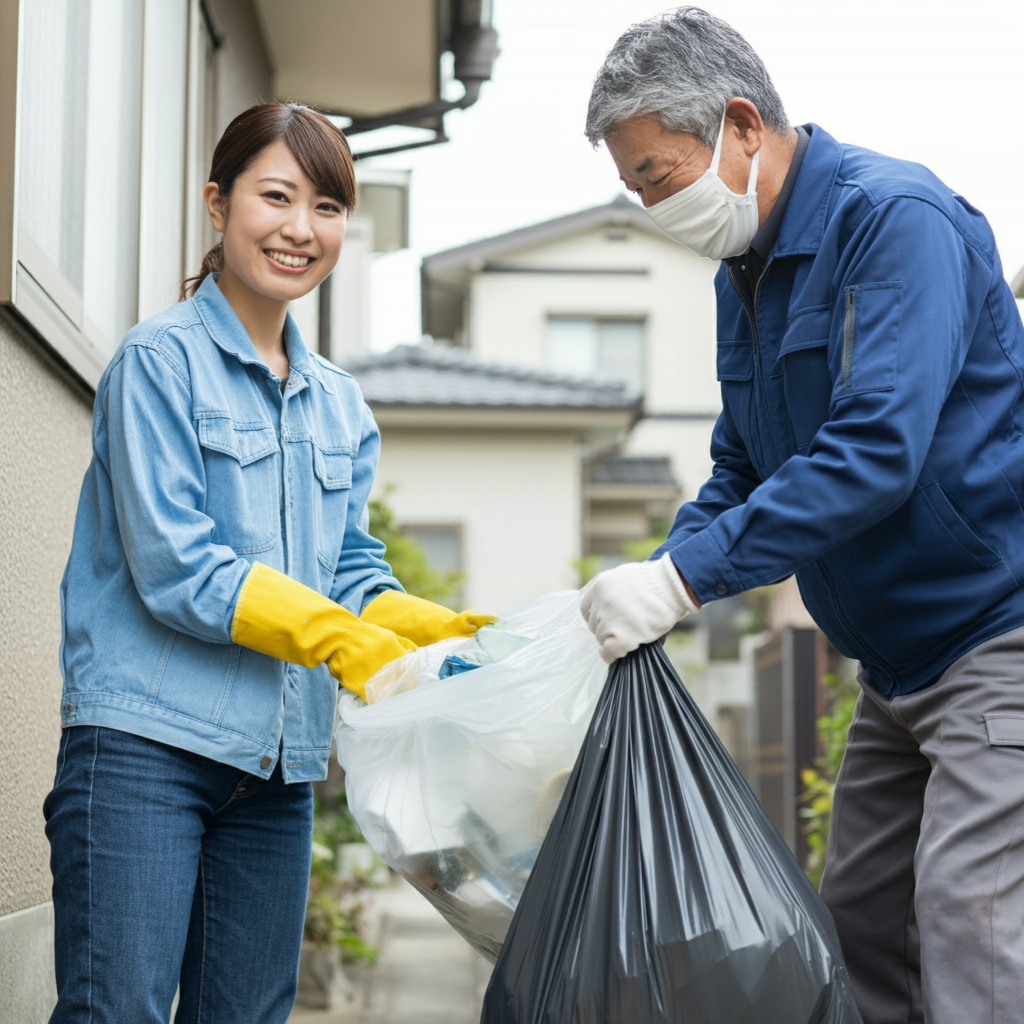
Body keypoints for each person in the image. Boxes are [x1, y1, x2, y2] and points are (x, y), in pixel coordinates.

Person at [578, 9, 1024, 1024]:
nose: (652, 206)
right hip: (895, 665)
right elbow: (740, 463)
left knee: (972, 926)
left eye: (657, 175)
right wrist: (659, 575)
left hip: (997, 633)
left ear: (740, 124)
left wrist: (687, 579)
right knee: (859, 928)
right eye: (634, 185)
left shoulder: (892, 220)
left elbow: (875, 452)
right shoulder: (743, 276)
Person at [45, 102, 493, 1024]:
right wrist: (343, 644)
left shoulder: (338, 406)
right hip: (144, 751)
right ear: (219, 204)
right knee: (116, 1013)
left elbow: (350, 570)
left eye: (326, 206)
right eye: (276, 197)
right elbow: (178, 566)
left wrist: (442, 632)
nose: (300, 229)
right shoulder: (156, 366)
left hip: (278, 767)